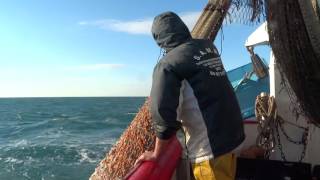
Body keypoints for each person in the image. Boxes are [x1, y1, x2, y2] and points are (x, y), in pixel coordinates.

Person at [135, 11, 245, 180]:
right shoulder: (208, 47)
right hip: (232, 138)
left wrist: (156, 154)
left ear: (159, 39)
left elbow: (164, 116)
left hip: (209, 150)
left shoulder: (167, 66)